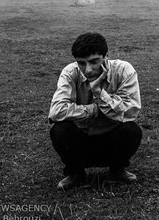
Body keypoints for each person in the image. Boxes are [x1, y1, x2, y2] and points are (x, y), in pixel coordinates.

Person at [49, 32, 142, 190]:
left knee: (131, 130)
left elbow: (131, 111)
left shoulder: (124, 70)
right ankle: (76, 173)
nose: (88, 69)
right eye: (82, 63)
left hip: (111, 138)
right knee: (59, 130)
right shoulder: (70, 72)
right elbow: (56, 111)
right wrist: (94, 109)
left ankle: (117, 170)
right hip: (81, 139)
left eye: (94, 62)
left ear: (106, 56)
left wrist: (99, 92)